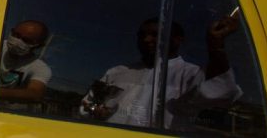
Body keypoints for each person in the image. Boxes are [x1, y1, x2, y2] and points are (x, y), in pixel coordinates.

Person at [79, 16, 242, 129]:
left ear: (177, 39)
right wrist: (95, 111)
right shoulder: (117, 71)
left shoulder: (190, 75)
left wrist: (216, 46)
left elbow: (222, 92)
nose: (146, 40)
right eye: (142, 35)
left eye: (155, 35)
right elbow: (88, 104)